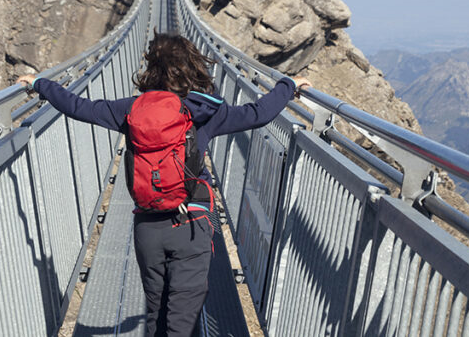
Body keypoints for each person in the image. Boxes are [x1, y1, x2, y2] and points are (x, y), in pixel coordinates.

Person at [17, 32, 310, 337]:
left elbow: (79, 107)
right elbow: (258, 114)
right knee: (181, 322)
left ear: (150, 68)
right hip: (191, 221)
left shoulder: (131, 110)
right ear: (193, 65)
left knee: (158, 314)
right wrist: (288, 87)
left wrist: (40, 84)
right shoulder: (203, 111)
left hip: (147, 225)